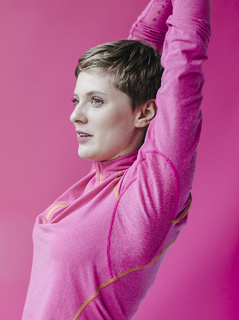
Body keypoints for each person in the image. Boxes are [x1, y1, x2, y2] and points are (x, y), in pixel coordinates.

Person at [22, 0, 211, 319]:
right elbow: (138, 58)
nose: (75, 116)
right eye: (76, 100)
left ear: (146, 113)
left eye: (95, 101)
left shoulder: (147, 195)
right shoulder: (101, 182)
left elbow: (184, 64)